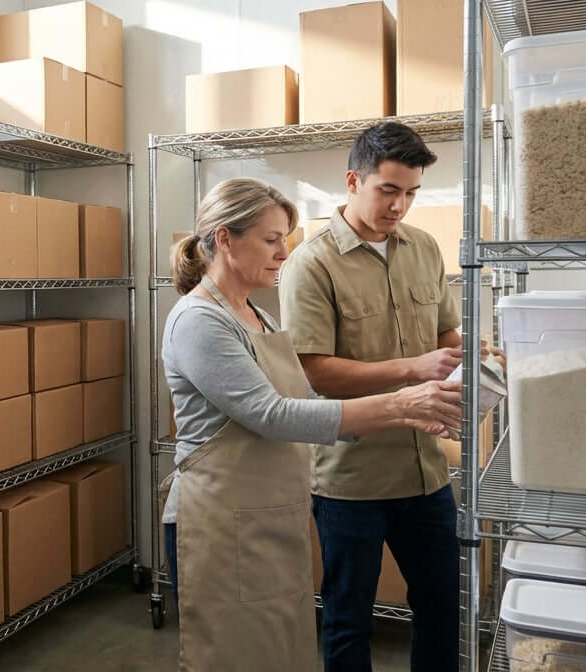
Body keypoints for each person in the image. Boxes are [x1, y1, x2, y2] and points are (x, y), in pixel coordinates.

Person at [162, 177, 463, 671]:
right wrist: (403, 403)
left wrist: (414, 414)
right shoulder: (199, 321)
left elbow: (307, 401)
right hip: (217, 522)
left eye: (286, 238)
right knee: (231, 656)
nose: (284, 252)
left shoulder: (256, 314)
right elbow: (273, 415)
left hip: (266, 514)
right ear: (224, 238)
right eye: (271, 238)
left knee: (278, 652)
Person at [279, 122, 468, 672]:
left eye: (411, 193)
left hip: (426, 472)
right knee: (348, 617)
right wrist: (413, 367)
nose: (400, 206)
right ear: (353, 180)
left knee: (441, 605)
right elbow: (315, 373)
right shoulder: (310, 264)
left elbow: (445, 335)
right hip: (351, 480)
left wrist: (476, 355)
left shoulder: (425, 248)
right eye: (388, 190)